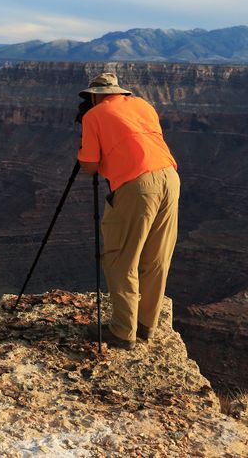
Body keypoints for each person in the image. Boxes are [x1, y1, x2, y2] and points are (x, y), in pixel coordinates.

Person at [77, 72, 179, 350]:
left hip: (138, 185)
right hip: (169, 177)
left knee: (120, 256)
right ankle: (147, 325)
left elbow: (90, 166)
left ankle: (123, 331)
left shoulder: (94, 116)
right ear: (120, 92)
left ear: (95, 96)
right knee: (156, 255)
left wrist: (85, 141)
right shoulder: (144, 105)